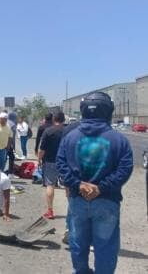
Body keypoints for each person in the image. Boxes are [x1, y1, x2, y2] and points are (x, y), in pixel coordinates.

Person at [56, 92, 133, 274]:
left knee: (77, 244)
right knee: (105, 247)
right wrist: (101, 187)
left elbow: (61, 164)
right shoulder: (119, 140)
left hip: (77, 201)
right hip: (107, 202)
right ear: (108, 110)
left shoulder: (70, 137)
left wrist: (78, 184)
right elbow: (125, 169)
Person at [38, 112, 65, 219]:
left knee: (50, 185)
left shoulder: (48, 131)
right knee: (68, 186)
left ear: (54, 119)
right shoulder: (67, 131)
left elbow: (42, 149)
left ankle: (50, 211)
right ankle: (72, 210)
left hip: (50, 161)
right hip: (65, 162)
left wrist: (39, 159)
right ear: (63, 120)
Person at [6, 111, 18, 178]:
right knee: (11, 157)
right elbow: (13, 137)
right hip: (8, 143)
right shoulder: (13, 124)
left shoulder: (6, 122)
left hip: (2, 142)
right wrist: (14, 147)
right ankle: (10, 173)